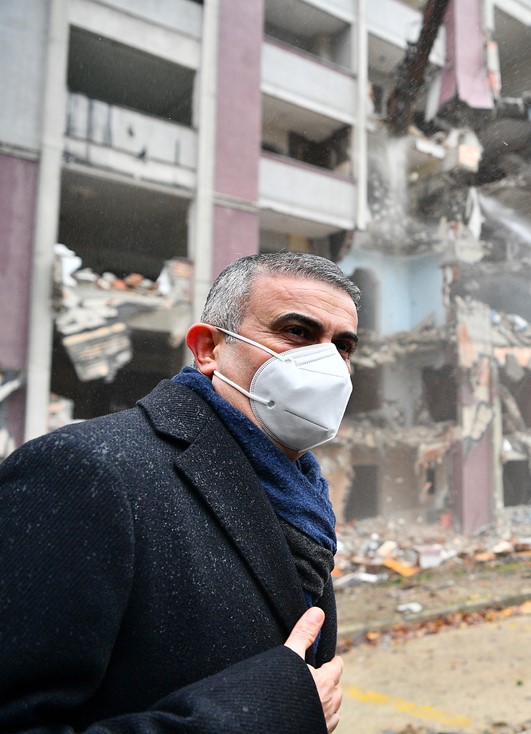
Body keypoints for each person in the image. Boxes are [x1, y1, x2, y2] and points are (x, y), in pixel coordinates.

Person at [0, 252, 360, 733]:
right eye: (296, 332)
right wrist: (267, 712)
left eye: (342, 346)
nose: (328, 364)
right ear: (208, 348)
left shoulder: (302, 495)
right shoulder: (83, 470)